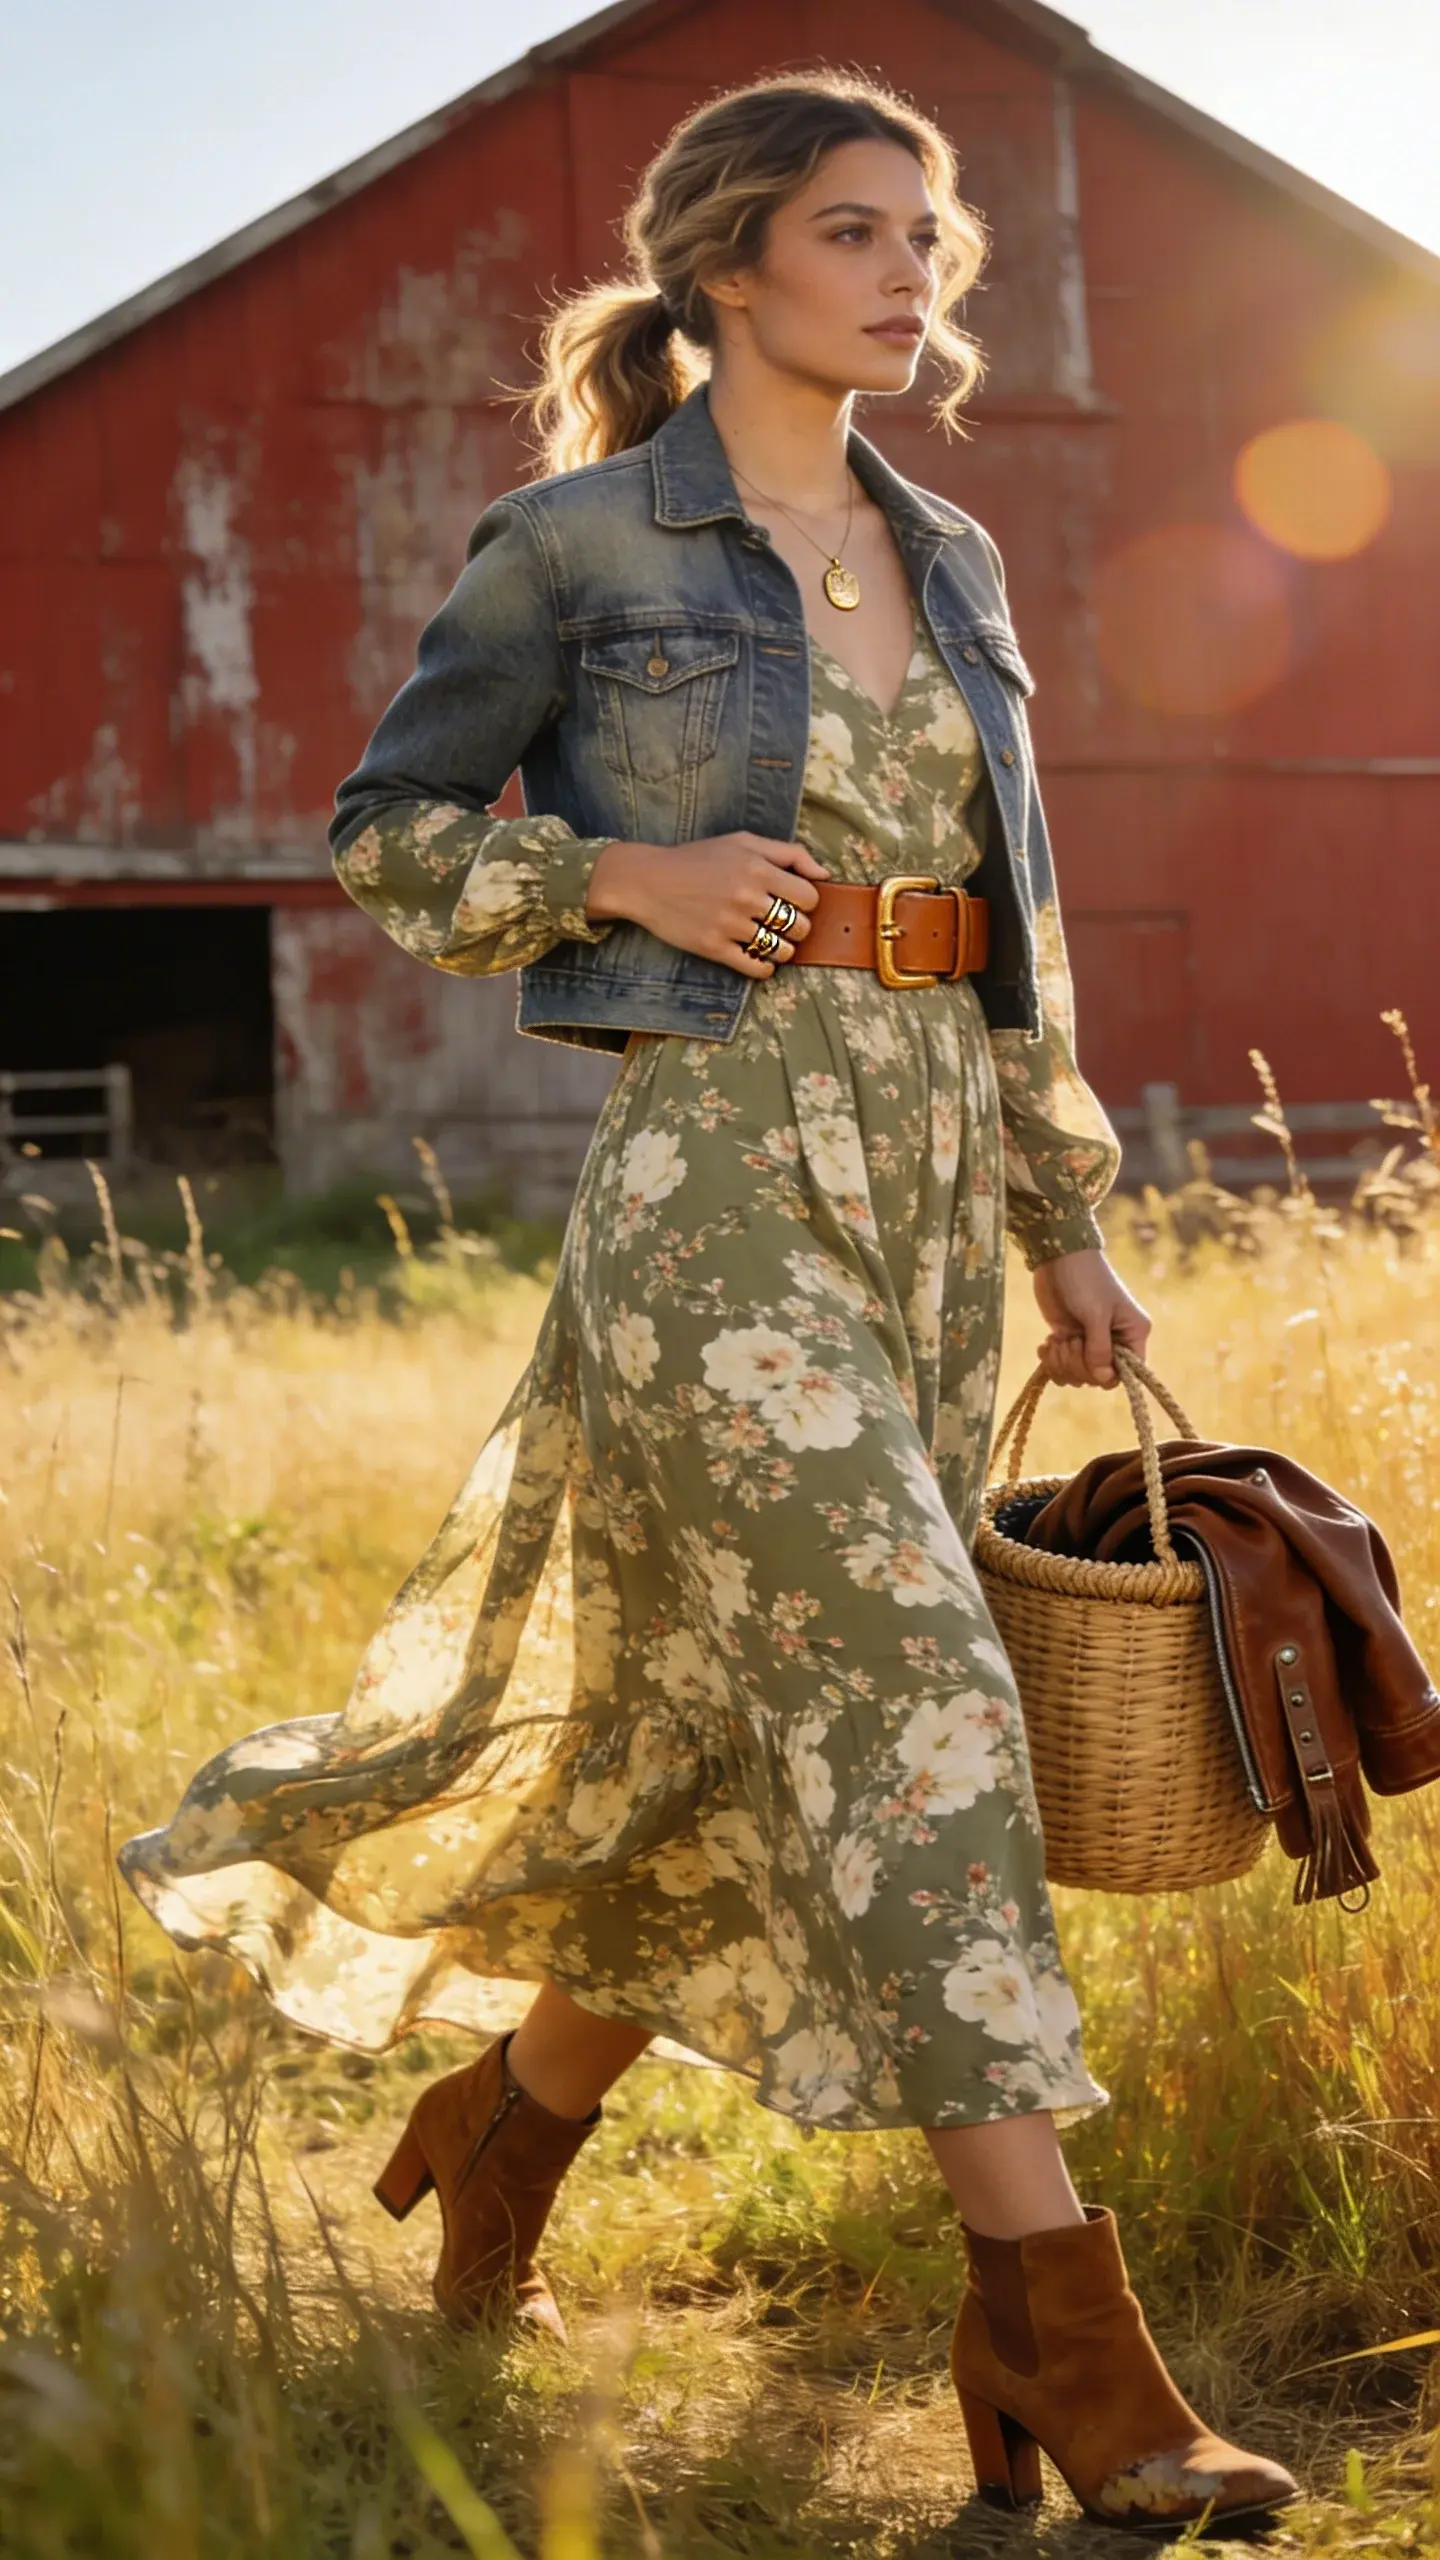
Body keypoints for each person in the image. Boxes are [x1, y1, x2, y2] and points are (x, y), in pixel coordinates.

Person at [121, 70, 1297, 2532]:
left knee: (722, 1761)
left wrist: (1060, 1209)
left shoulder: (950, 547)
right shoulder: (579, 538)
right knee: (917, 1684)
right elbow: (387, 833)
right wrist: (618, 882)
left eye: (931, 239)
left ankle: (501, 2146)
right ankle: (1067, 2333)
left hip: (915, 1196)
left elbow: (1012, 921)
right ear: (730, 260)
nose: (912, 276)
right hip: (715, 1191)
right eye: (858, 232)